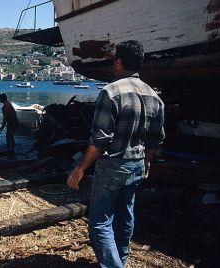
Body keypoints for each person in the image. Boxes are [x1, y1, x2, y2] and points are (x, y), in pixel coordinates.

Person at [67, 40, 165, 268]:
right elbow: (156, 139)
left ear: (119, 63)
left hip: (113, 166)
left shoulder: (110, 92)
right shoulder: (154, 96)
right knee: (126, 214)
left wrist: (79, 169)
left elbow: (98, 143)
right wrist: (147, 161)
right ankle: (120, 259)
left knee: (100, 222)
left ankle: (113, 265)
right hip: (138, 165)